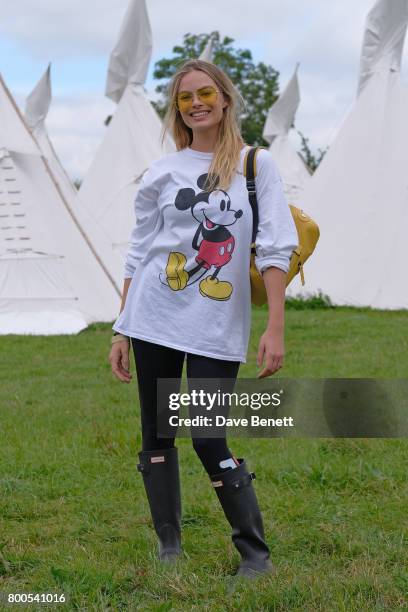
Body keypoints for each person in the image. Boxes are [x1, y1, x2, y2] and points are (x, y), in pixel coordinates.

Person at [109, 59, 298, 579]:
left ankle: (255, 554)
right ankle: (169, 546)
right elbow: (140, 250)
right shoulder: (162, 172)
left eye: (205, 93)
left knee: (209, 436)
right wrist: (121, 326)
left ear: (226, 99)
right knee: (157, 433)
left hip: (216, 324)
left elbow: (277, 248)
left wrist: (275, 326)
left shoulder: (256, 166)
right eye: (185, 97)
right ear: (177, 109)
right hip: (153, 315)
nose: (196, 103)